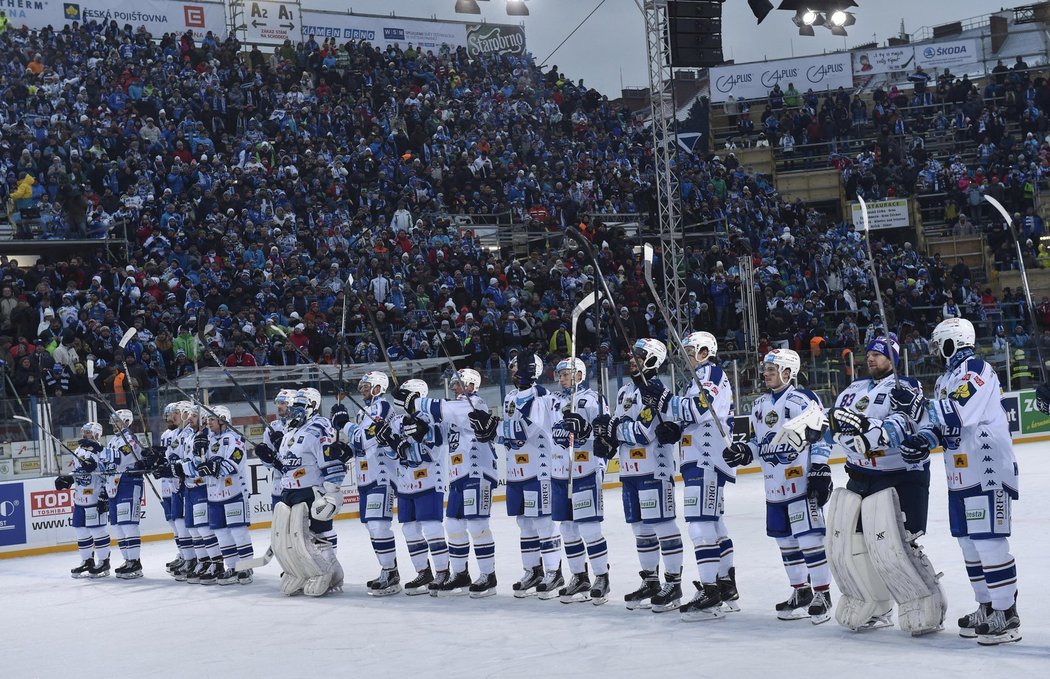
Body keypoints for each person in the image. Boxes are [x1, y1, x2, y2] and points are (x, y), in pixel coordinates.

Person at [889, 318, 1021, 645]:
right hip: (960, 475)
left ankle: (1006, 613)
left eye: (939, 344)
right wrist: (921, 439)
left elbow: (960, 413)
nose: (935, 351)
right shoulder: (945, 378)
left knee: (989, 541)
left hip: (986, 469)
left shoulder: (976, 368)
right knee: (969, 543)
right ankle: (986, 606)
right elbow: (942, 426)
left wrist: (919, 407)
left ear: (954, 342)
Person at [824, 336, 945, 635]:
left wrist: (866, 432)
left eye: (879, 354)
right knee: (853, 544)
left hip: (899, 474)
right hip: (860, 474)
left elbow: (904, 425)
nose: (872, 358)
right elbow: (834, 428)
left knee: (896, 544)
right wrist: (840, 434)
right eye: (870, 354)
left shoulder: (906, 387)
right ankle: (875, 605)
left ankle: (929, 601)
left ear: (894, 358)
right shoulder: (852, 390)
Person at [722, 349, 834, 623]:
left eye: (773, 369)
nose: (766, 373)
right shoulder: (759, 404)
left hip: (800, 482)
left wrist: (819, 468)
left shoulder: (803, 399)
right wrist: (744, 452)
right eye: (766, 369)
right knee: (785, 542)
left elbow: (822, 433)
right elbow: (761, 443)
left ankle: (823, 594)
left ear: (788, 372)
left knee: (809, 539)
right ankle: (801, 591)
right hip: (774, 484)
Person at [645, 331, 739, 620]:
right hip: (701, 457)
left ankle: (710, 592)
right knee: (714, 525)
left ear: (704, 350)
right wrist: (677, 429)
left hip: (707, 458)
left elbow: (700, 408)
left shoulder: (710, 371)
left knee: (700, 527)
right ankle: (725, 585)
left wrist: (664, 400)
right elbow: (694, 415)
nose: (684, 354)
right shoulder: (697, 377)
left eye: (689, 349)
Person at [592, 339, 685, 612]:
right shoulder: (623, 392)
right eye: (631, 355)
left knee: (663, 526)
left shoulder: (657, 391)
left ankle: (674, 584)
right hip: (628, 472)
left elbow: (642, 433)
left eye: (639, 356)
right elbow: (621, 429)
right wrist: (607, 438)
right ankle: (651, 581)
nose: (632, 359)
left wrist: (613, 429)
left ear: (654, 360)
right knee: (640, 530)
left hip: (653, 469)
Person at [406, 368, 499, 597]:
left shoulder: (474, 404)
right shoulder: (455, 409)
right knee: (454, 525)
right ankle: (460, 574)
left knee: (477, 525)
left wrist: (416, 402)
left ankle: (489, 576)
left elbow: (443, 409)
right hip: (459, 474)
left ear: (470, 386)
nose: (454, 387)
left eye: (459, 383)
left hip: (478, 472)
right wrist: (421, 431)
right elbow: (440, 435)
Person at [485, 352, 563, 597]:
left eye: (518, 365)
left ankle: (553, 572)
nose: (513, 370)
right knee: (524, 523)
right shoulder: (509, 396)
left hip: (538, 470)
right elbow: (506, 435)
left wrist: (494, 427)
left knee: (543, 523)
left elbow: (526, 429)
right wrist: (489, 431)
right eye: (512, 366)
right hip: (516, 473)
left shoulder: (542, 396)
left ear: (533, 369)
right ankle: (533, 570)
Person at [333, 372, 401, 595]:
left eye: (367, 386)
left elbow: (366, 437)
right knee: (371, 527)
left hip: (381, 474)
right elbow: (359, 444)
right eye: (361, 385)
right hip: (366, 477)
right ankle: (387, 570)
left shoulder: (382, 407)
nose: (362, 389)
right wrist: (344, 451)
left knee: (379, 526)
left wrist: (344, 424)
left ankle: (391, 573)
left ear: (378, 388)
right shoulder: (365, 412)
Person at [274, 388, 345, 597]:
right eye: (293, 405)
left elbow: (331, 463)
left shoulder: (318, 429)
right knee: (291, 537)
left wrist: (332, 494)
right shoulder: (291, 431)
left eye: (299, 405)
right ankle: (301, 572)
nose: (294, 409)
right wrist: (270, 457)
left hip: (311, 490)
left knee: (317, 536)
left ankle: (327, 572)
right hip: (289, 491)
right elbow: (285, 464)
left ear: (312, 405)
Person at [550, 357, 611, 604]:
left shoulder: (592, 399)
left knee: (589, 527)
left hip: (585, 469)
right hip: (560, 472)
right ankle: (579, 577)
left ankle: (602, 577)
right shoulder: (555, 402)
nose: (562, 378)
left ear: (580, 375)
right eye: (560, 374)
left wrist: (586, 430)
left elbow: (605, 432)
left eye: (567, 374)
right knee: (567, 528)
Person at [386, 379, 451, 595]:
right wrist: (390, 441)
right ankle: (423, 571)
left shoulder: (433, 418)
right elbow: (389, 452)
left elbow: (432, 452)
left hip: (430, 480)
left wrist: (407, 446)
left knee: (431, 526)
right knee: (409, 528)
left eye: (404, 395)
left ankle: (443, 572)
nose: (399, 400)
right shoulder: (398, 421)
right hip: (405, 483)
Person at [199, 406, 254, 584]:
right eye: (208, 419)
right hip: (214, 494)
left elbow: (233, 463)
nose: (209, 422)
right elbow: (198, 466)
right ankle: (231, 566)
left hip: (234, 492)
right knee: (222, 534)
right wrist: (196, 450)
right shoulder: (207, 440)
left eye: (212, 419)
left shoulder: (234, 439)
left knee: (238, 531)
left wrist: (213, 467)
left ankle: (245, 566)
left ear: (223, 420)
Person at [55, 422, 111, 578]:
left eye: (88, 433)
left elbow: (108, 472)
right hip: (80, 498)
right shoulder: (79, 450)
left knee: (97, 530)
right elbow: (78, 470)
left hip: (95, 495)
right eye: (83, 432)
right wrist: (68, 479)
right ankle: (87, 560)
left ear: (96, 435)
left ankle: (104, 561)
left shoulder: (102, 451)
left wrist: (104, 495)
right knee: (80, 530)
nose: (84, 435)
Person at [98, 409, 146, 579]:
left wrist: (98, 449)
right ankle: (127, 560)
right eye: (113, 422)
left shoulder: (131, 439)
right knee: (118, 527)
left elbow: (120, 458)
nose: (114, 425)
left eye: (117, 422)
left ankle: (135, 562)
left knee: (128, 525)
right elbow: (108, 464)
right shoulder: (113, 440)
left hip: (129, 482)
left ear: (126, 421)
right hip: (114, 485)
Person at [157, 402, 192, 576]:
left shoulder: (189, 433)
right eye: (171, 414)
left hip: (186, 483)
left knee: (187, 522)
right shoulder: (172, 433)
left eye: (175, 413)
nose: (171, 417)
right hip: (170, 483)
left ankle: (195, 557)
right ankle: (185, 554)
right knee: (175, 521)